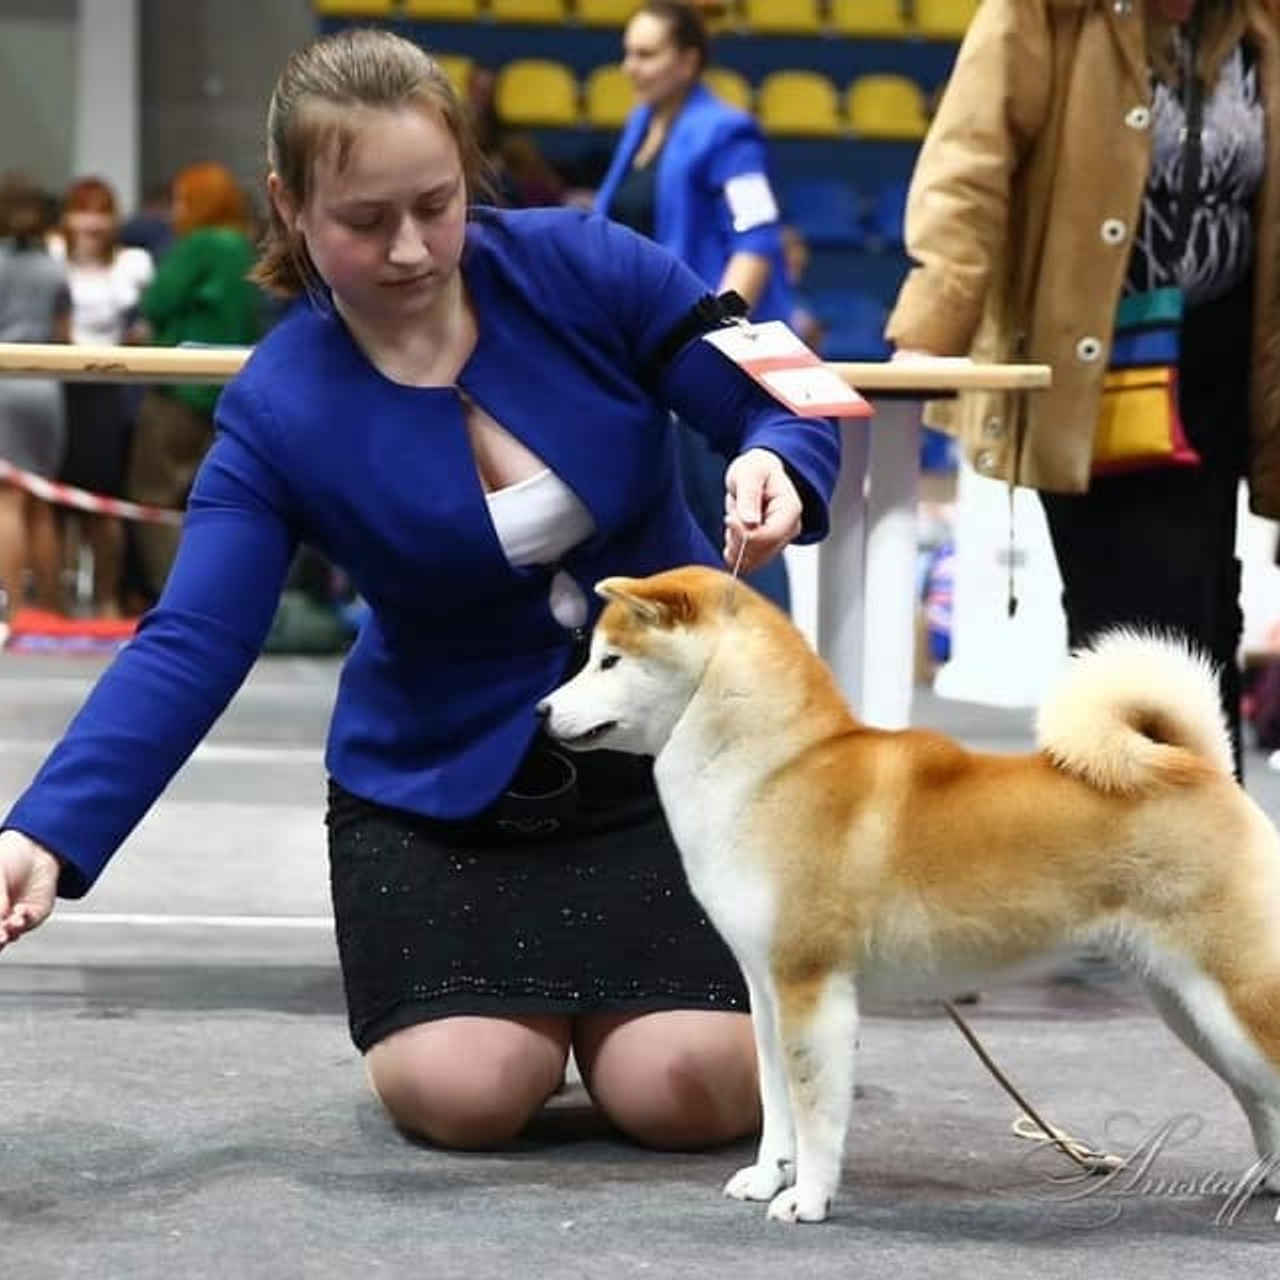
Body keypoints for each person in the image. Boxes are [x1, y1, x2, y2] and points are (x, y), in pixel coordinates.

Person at [0, 28, 841, 1153]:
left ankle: (629, 1019)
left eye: (435, 204)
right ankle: (536, 1025)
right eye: (362, 220)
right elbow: (192, 638)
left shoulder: (584, 262)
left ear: (465, 173)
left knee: (687, 1089)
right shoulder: (275, 409)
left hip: (671, 764)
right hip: (438, 790)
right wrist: (46, 830)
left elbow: (783, 391)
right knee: (464, 1093)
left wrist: (774, 458)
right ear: (290, 205)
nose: (411, 249)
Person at [885, 0, 1280, 776]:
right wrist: (929, 334)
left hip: (1223, 376)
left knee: (1205, 621)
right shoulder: (1045, 13)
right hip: (1093, 369)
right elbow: (967, 165)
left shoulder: (1257, 23)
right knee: (1134, 640)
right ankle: (1140, 864)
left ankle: (1198, 865)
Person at [594, 1, 797, 611]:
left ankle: (771, 655)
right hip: (644, 353)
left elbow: (757, 238)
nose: (631, 66)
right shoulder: (641, 125)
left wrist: (713, 334)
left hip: (703, 355)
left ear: (688, 61)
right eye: (628, 52)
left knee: (735, 519)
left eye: (647, 53)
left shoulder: (726, 131)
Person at [126, 161, 263, 603]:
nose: (175, 210)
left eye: (184, 200)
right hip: (224, 389)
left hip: (178, 389)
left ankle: (177, 598)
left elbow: (158, 300)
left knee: (154, 495)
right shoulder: (244, 247)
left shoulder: (200, 245)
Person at [51, 176, 155, 618]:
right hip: (59, 387)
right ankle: (61, 601)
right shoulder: (53, 257)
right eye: (82, 209)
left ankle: (108, 599)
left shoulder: (132, 263)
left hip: (110, 391)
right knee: (57, 502)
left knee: (105, 501)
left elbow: (139, 329)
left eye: (100, 210)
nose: (91, 220)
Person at [0, 173, 72, 619]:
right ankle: (52, 610)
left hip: (3, 382)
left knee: (7, 501)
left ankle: (15, 610)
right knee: (43, 502)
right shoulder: (53, 267)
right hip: (47, 387)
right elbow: (65, 334)